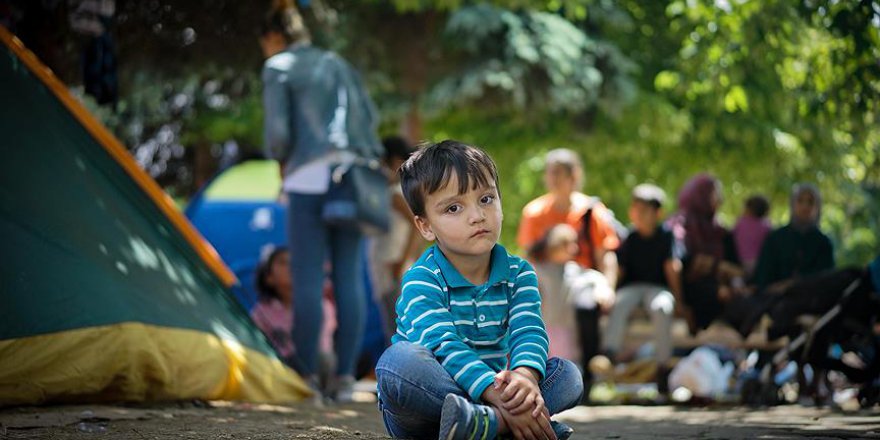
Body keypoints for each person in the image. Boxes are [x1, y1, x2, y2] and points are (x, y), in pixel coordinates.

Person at [375, 141, 583, 440]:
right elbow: (443, 344)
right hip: (425, 409)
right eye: (454, 208)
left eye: (486, 199)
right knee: (397, 363)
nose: (476, 216)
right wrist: (491, 391)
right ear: (425, 226)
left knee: (568, 376)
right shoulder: (422, 278)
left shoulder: (519, 274)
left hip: (498, 394)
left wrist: (525, 375)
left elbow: (529, 331)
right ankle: (513, 424)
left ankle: (490, 423)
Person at [260, 0, 383, 402]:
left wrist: (280, 160)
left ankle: (309, 376)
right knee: (349, 277)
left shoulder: (278, 66)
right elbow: (369, 116)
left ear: (274, 37)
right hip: (350, 178)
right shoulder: (340, 65)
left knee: (308, 279)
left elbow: (279, 133)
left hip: (307, 177)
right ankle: (345, 379)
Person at [517, 148, 620, 400]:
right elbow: (527, 257)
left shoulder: (591, 211)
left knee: (586, 306)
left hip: (581, 279)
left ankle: (588, 376)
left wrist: (607, 287)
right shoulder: (535, 212)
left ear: (573, 176)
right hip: (547, 280)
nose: (552, 179)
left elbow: (605, 254)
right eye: (549, 173)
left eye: (558, 173)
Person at [602, 184, 683, 392]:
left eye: (644, 210)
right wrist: (609, 292)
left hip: (658, 287)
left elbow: (672, 267)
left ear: (658, 213)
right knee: (619, 303)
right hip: (633, 288)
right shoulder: (630, 237)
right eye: (636, 209)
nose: (638, 214)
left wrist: (680, 300)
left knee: (662, 307)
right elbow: (620, 269)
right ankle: (608, 357)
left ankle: (663, 367)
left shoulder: (667, 236)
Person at [250, 245, 338, 385]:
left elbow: (324, 346)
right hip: (278, 368)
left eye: (296, 263)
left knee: (324, 359)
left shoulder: (321, 307)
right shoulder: (261, 311)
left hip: (315, 365)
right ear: (269, 277)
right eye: (283, 263)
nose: (290, 268)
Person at [667, 173, 744, 332]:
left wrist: (719, 270)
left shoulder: (721, 232)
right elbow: (686, 263)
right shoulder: (679, 226)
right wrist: (718, 267)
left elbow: (736, 268)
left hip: (722, 288)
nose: (719, 199)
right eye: (714, 194)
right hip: (686, 291)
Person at [368, 136, 423, 342]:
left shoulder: (395, 194)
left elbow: (418, 227)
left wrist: (402, 261)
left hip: (394, 265)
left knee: (397, 326)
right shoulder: (396, 193)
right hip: (391, 264)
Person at [752, 184, 834, 293]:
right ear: (792, 204)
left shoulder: (824, 243)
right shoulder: (775, 238)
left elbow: (826, 282)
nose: (805, 206)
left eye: (810, 202)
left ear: (817, 207)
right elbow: (762, 279)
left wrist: (795, 285)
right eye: (800, 201)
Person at [732, 195, 772, 278]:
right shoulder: (767, 225)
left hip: (741, 263)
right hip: (760, 265)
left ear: (749, 209)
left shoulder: (740, 223)